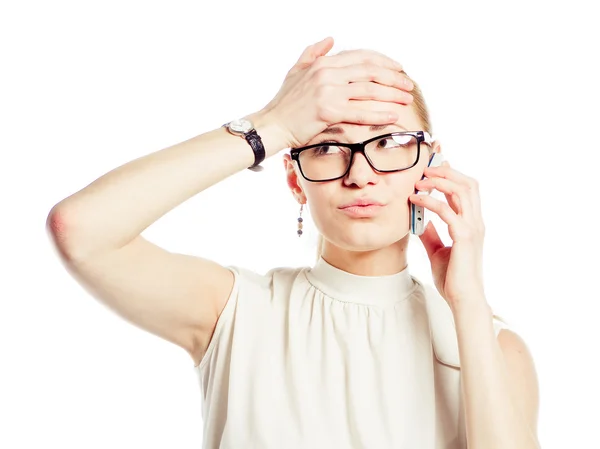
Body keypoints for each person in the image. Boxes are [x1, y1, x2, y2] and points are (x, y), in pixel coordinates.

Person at [47, 37, 540, 448]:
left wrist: (468, 303)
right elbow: (82, 229)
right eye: (327, 146)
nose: (361, 174)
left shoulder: (493, 346)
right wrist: (273, 124)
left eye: (389, 143)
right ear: (295, 180)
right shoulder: (236, 311)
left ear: (429, 164)